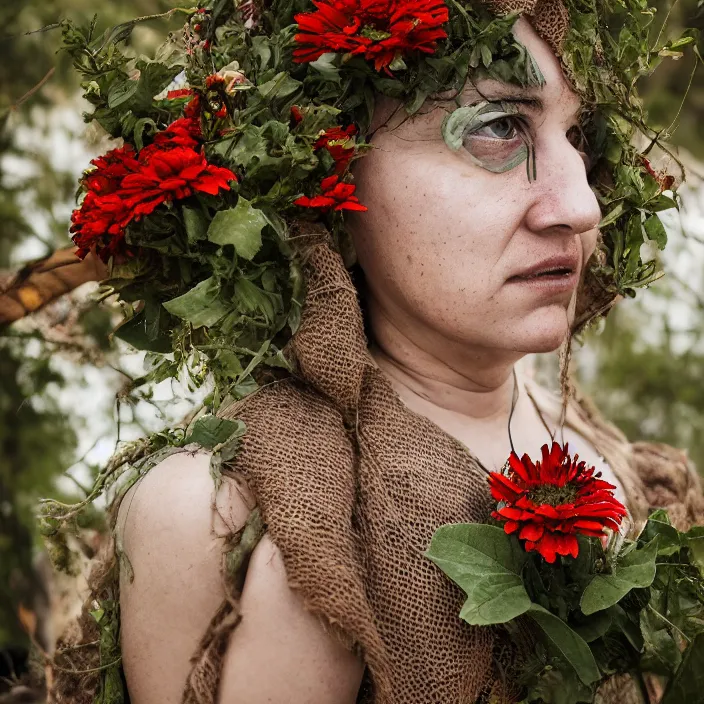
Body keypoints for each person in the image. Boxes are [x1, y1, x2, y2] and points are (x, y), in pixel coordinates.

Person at [48, 1, 704, 703]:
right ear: (327, 180)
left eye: (575, 133)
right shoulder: (217, 514)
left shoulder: (577, 430)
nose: (580, 206)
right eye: (498, 127)